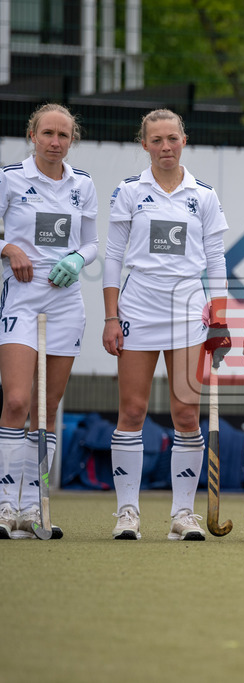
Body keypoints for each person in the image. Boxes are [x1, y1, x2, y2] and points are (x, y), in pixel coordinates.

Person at [102, 109, 231, 541]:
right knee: (133, 410)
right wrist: (111, 316)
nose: (166, 147)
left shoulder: (203, 195)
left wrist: (219, 314)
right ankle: (127, 512)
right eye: (156, 140)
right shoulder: (129, 192)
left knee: (185, 413)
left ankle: (183, 515)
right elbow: (114, 257)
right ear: (145, 145)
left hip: (189, 312)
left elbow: (216, 258)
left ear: (184, 140)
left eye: (172, 138)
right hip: (138, 306)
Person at [0, 104, 98, 539]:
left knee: (48, 407)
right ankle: (6, 505)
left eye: (63, 135)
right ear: (32, 135)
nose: (55, 142)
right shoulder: (10, 178)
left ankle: (33, 506)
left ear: (71, 139)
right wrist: (8, 249)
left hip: (64, 304)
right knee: (18, 401)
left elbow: (93, 242)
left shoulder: (83, 185)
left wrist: (77, 258)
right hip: (21, 299)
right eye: (48, 134)